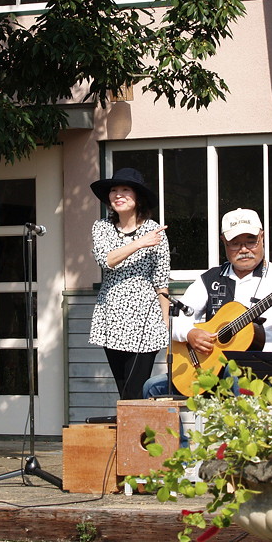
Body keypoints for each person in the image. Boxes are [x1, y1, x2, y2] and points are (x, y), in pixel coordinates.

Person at [144, 207, 272, 399]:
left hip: (267, 374)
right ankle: (176, 431)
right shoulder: (210, 279)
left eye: (250, 241)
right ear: (224, 242)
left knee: (234, 375)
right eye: (235, 243)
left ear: (262, 237)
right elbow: (174, 320)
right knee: (152, 388)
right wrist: (190, 333)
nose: (244, 249)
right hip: (212, 369)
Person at [88, 167, 170, 401]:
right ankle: (132, 436)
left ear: (138, 197)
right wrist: (139, 243)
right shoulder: (102, 227)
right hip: (111, 316)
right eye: (114, 190)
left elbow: (161, 281)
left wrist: (164, 323)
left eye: (125, 190)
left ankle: (137, 436)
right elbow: (106, 260)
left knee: (135, 390)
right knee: (124, 390)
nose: (118, 195)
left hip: (145, 318)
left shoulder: (155, 231)